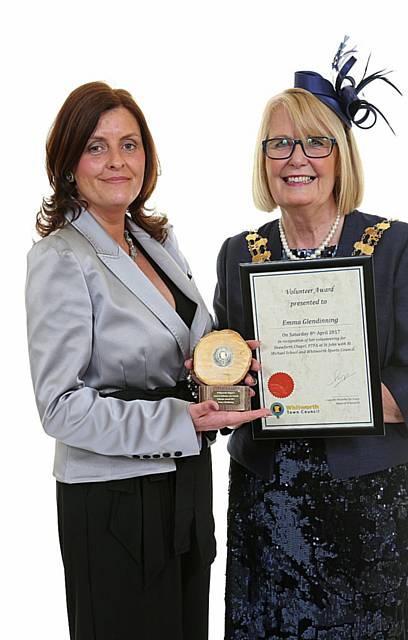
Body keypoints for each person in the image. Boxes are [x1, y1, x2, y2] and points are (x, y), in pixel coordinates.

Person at [25, 81, 269, 640]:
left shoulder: (156, 240)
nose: (116, 161)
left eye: (129, 145)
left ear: (147, 157)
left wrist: (224, 370)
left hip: (183, 484)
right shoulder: (60, 259)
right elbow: (59, 408)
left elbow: (190, 350)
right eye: (96, 146)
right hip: (112, 503)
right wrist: (180, 419)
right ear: (68, 164)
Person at [214, 42, 408, 639]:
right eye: (279, 144)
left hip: (370, 503)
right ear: (264, 159)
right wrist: (218, 382)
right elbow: (228, 381)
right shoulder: (240, 253)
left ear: (340, 155)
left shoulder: (399, 245)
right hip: (267, 499)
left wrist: (342, 397)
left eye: (315, 142)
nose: (296, 158)